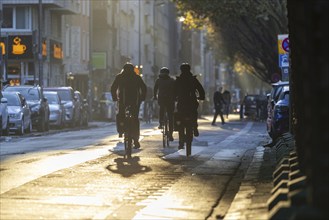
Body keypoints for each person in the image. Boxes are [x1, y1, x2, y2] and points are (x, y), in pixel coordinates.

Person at [111, 62, 147, 149]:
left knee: (121, 116)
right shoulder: (136, 77)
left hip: (123, 101)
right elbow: (144, 88)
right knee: (135, 119)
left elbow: (113, 88)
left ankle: (121, 130)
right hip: (135, 102)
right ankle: (135, 140)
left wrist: (115, 98)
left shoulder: (119, 77)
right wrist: (142, 98)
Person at [174, 63, 205, 149]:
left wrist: (173, 98)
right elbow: (200, 89)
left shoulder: (178, 80)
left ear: (181, 70)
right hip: (192, 102)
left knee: (179, 118)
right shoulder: (193, 79)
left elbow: (173, 90)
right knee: (194, 113)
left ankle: (180, 142)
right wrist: (202, 97)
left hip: (182, 103)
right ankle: (194, 127)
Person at [153, 67, 175, 141]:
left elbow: (155, 89)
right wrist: (176, 97)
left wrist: (154, 96)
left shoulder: (158, 80)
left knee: (161, 109)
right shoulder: (171, 80)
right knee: (171, 116)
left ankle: (160, 123)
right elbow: (176, 89)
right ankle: (171, 134)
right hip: (170, 100)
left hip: (161, 99)